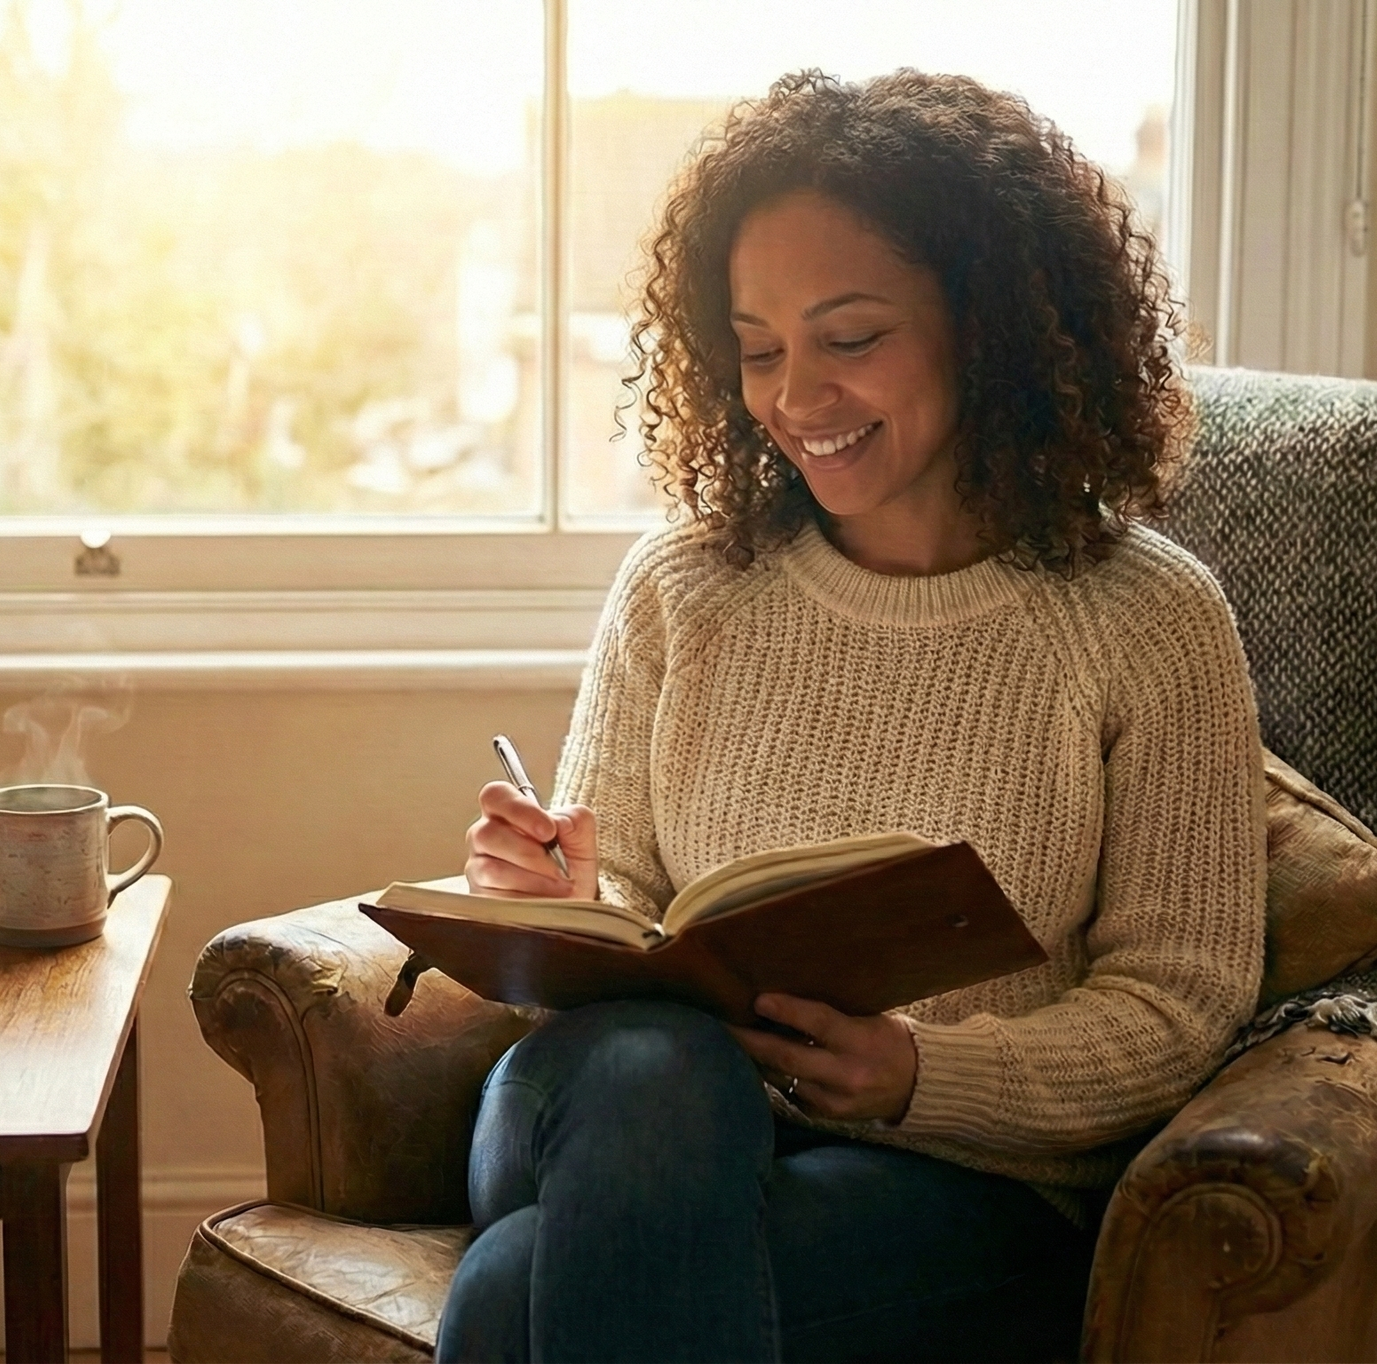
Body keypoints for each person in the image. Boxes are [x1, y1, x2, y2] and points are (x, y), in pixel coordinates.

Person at [439, 69, 1269, 1363]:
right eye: (759, 349)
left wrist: (921, 1078)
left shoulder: (1148, 619)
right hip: (622, 1113)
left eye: (852, 336)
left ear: (986, 325)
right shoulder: (685, 587)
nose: (795, 398)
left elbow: (1182, 999)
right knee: (662, 1077)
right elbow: (628, 961)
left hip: (956, 1184)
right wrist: (565, 911)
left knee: (508, 1297)